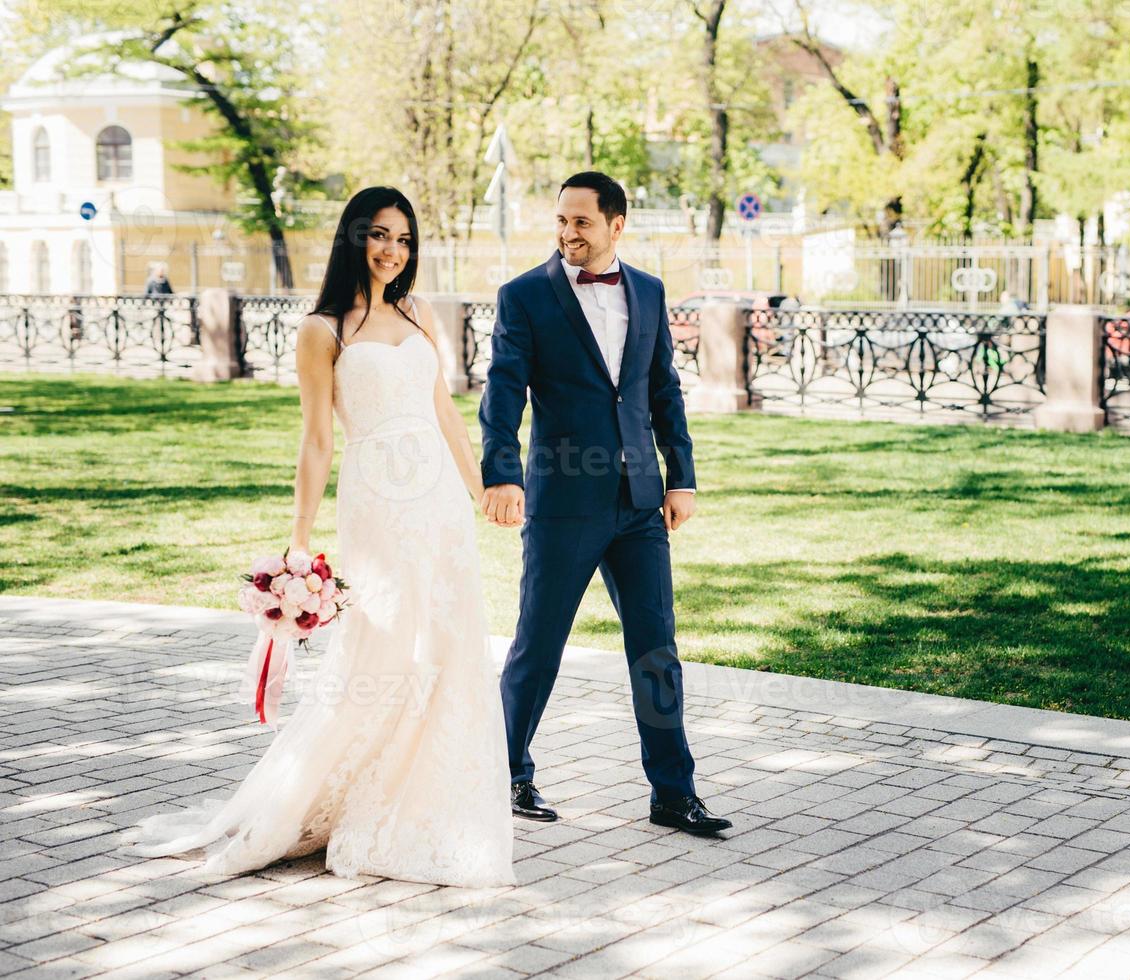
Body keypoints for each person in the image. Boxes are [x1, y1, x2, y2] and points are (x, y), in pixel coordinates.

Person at [129, 186, 515, 887]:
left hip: (437, 507)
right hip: (377, 509)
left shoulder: (419, 310)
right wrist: (299, 539)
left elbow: (447, 415)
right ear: (352, 239)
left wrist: (481, 488)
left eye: (402, 238)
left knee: (451, 642)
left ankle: (431, 800)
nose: (391, 250)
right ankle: (331, 798)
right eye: (377, 235)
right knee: (386, 648)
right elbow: (315, 440)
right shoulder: (323, 328)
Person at [480, 171, 732, 836]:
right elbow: (503, 392)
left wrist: (683, 476)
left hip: (640, 504)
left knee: (657, 648)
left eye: (582, 222)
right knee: (540, 644)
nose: (568, 232)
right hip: (563, 500)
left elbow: (663, 391)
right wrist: (502, 474)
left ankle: (673, 793)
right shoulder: (524, 297)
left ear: (616, 225)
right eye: (562, 220)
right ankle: (506, 774)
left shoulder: (647, 291)